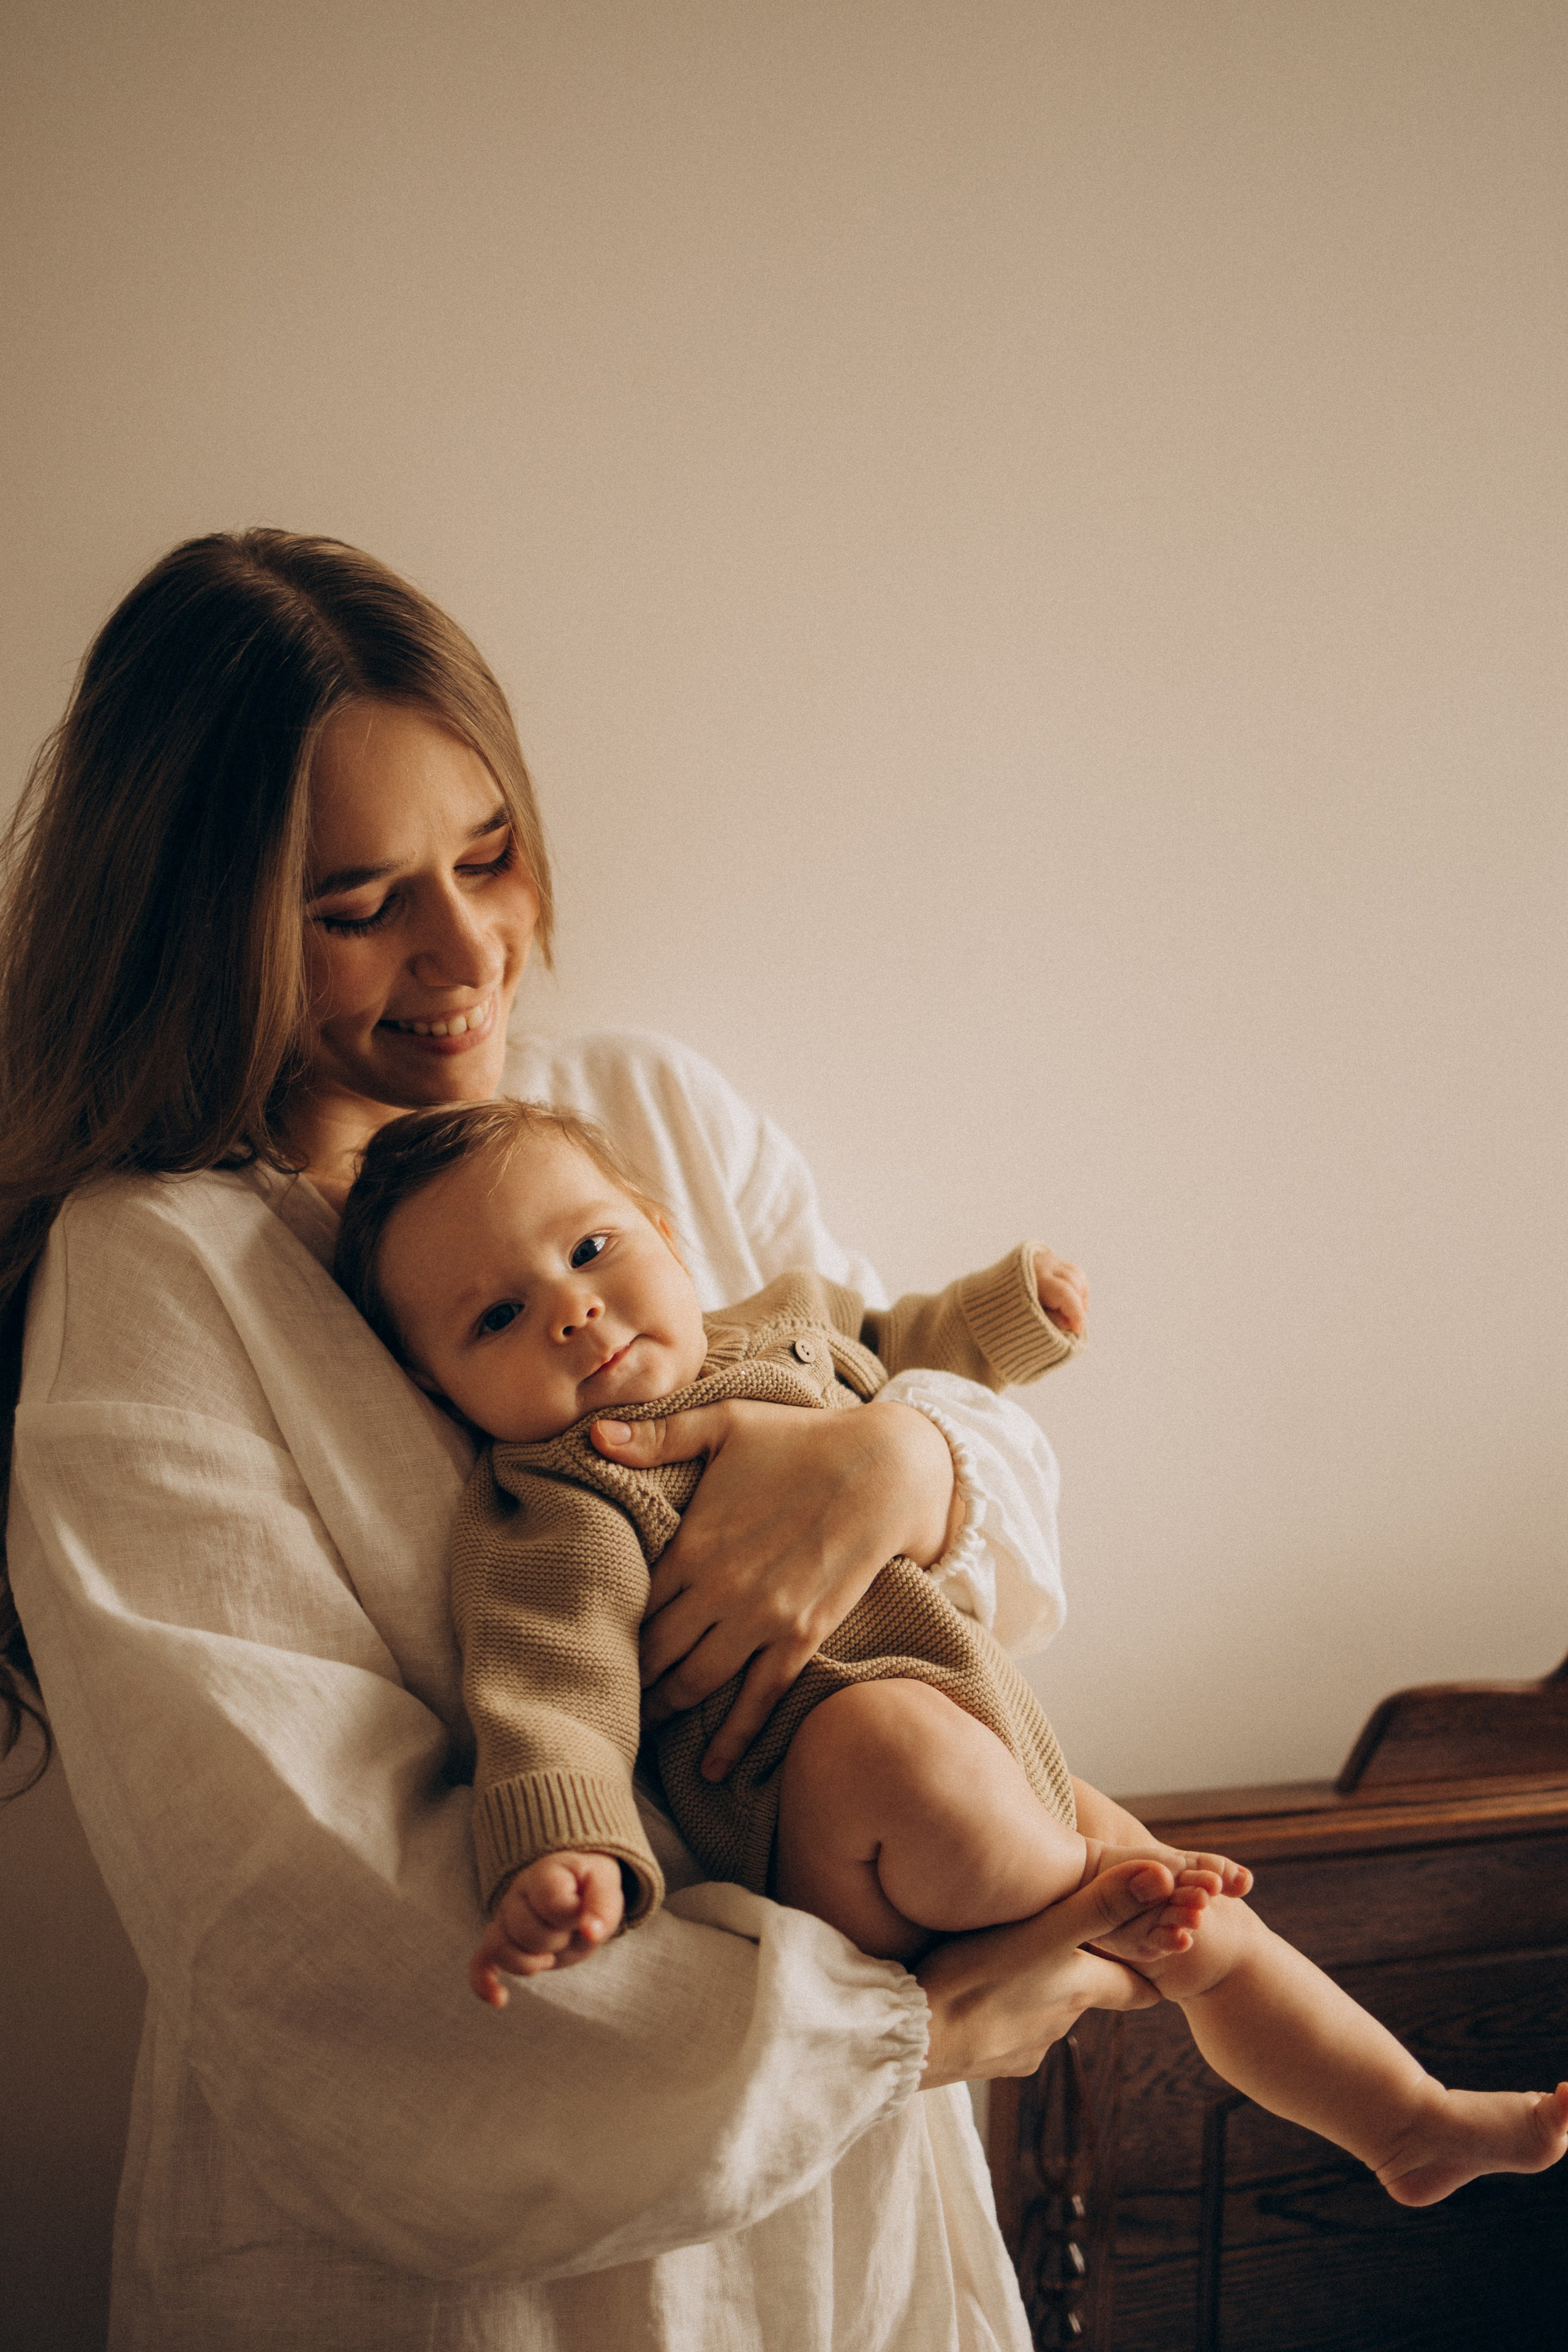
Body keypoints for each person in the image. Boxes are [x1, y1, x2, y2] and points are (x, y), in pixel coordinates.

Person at [0, 527, 1180, 2352]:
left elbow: (991, 1548)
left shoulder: (646, 1112)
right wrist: (909, 2027)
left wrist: (897, 1469)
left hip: (847, 2216)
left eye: (486, 856)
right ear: (198, 921)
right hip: (475, 2271)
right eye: (355, 905)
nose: (464, 951)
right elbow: (306, 1930)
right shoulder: (157, 1274)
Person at [336, 1097, 1568, 2212]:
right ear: (436, 1389)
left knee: (1217, 1940)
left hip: (991, 1754)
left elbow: (905, 1340)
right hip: (824, 1815)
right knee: (915, 1756)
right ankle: (1087, 1898)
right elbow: (552, 1691)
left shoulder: (784, 1326)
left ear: (662, 1230)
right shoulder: (557, 1501)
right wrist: (564, 1850)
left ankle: (1405, 2122)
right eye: (497, 1317)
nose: (570, 1308)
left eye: (591, 1248)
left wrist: (1010, 1314)